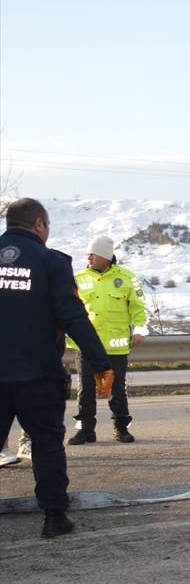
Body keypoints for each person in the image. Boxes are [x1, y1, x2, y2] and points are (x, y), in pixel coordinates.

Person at [0, 198, 113, 538]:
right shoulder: (51, 261)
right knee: (47, 443)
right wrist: (101, 363)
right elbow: (73, 316)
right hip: (38, 374)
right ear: (39, 224)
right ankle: (54, 518)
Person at [68, 236, 147, 445]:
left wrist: (140, 330)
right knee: (85, 390)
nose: (89, 257)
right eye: (88, 254)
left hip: (115, 346)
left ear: (106, 256)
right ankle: (85, 430)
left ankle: (121, 428)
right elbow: (68, 308)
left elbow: (139, 307)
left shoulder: (127, 278)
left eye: (93, 253)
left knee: (117, 390)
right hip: (86, 345)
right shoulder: (78, 278)